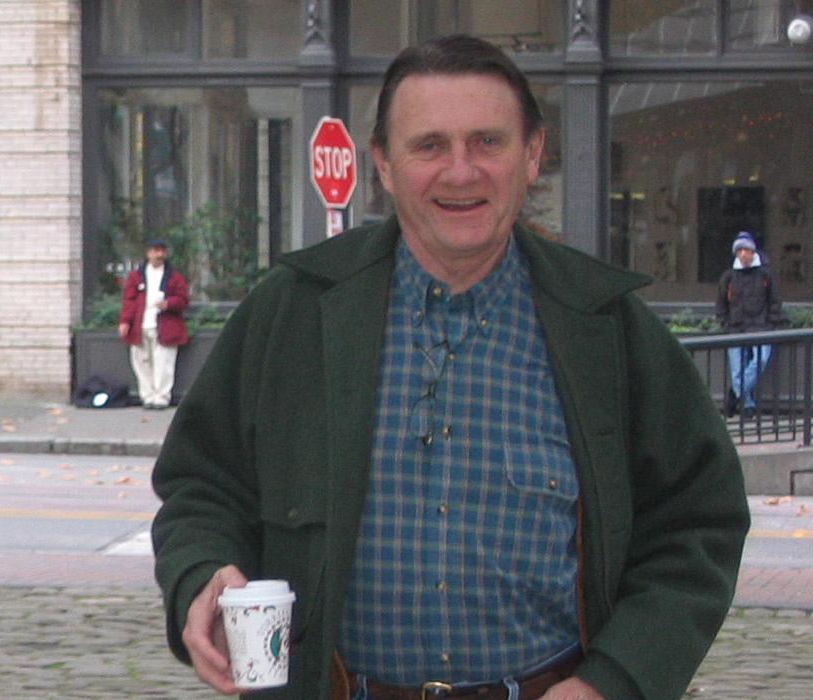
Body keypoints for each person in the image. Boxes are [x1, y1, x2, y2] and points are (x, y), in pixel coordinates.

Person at [151, 35, 747, 700]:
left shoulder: (606, 327)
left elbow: (698, 521)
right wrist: (202, 574)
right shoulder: (291, 313)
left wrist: (614, 679)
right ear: (383, 162)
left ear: (532, 155)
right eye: (429, 145)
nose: (460, 172)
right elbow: (201, 487)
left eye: (487, 142)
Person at [716, 231, 785, 417]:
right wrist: (725, 322)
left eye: (746, 250)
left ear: (753, 251)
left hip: (761, 326)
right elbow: (721, 303)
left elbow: (774, 300)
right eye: (739, 251)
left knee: (760, 360)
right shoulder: (729, 277)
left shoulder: (765, 275)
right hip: (736, 327)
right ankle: (747, 404)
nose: (743, 254)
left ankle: (735, 393)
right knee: (737, 369)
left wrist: (772, 322)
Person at [118, 238, 189, 409]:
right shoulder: (135, 277)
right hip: (140, 325)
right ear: (148, 253)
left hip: (165, 325)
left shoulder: (174, 277)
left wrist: (168, 304)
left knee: (163, 363)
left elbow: (183, 300)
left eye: (161, 251)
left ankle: (161, 397)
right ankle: (148, 396)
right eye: (155, 250)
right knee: (142, 361)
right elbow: (129, 300)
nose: (159, 254)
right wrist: (125, 321)